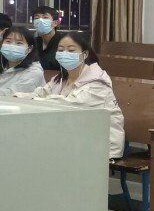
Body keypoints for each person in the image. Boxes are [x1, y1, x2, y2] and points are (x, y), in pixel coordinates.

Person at [24, 31, 125, 159]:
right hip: (74, 139)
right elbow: (42, 93)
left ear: (85, 54)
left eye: (71, 50)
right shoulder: (61, 78)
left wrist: (34, 100)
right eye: (60, 50)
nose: (64, 54)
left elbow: (69, 105)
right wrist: (20, 98)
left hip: (102, 146)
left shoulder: (98, 82)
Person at [0, 25, 46, 96]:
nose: (12, 46)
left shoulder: (34, 72)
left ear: (30, 49)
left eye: (19, 43)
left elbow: (11, 94)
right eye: (8, 41)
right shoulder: (4, 66)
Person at [31, 6, 62, 70]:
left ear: (55, 23)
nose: (40, 20)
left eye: (45, 17)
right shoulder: (33, 43)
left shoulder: (63, 42)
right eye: (36, 18)